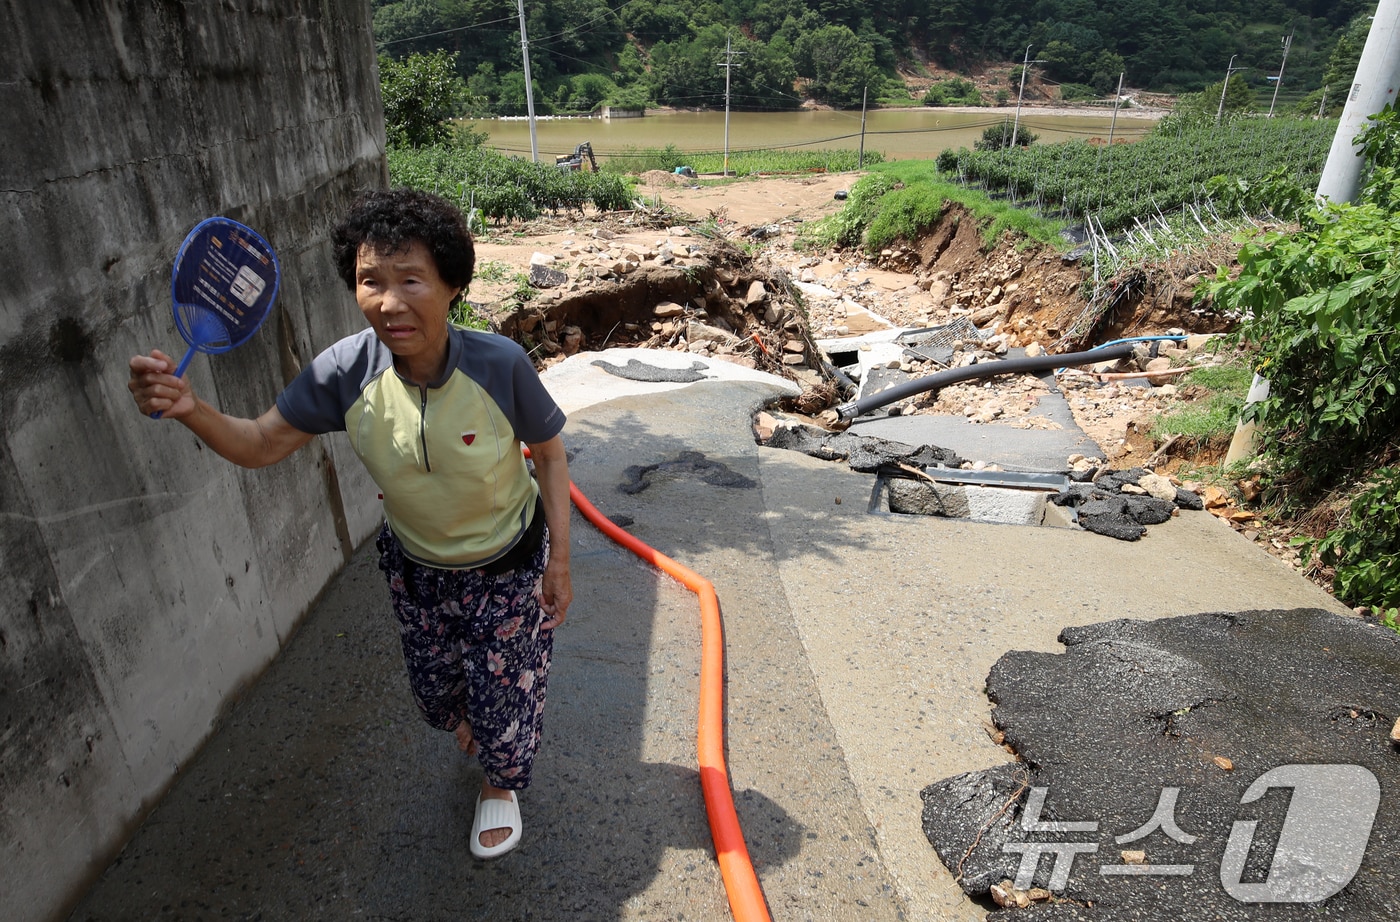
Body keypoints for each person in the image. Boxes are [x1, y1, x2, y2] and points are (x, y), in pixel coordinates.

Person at [128, 189, 572, 860]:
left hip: (505, 567)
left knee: (503, 702)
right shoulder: (344, 372)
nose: (390, 302)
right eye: (371, 281)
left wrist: (561, 560)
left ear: (453, 285)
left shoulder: (500, 365)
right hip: (416, 567)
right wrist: (191, 408)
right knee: (436, 696)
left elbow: (552, 453)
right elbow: (259, 444)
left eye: (411, 280)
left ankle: (499, 785)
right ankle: (470, 718)